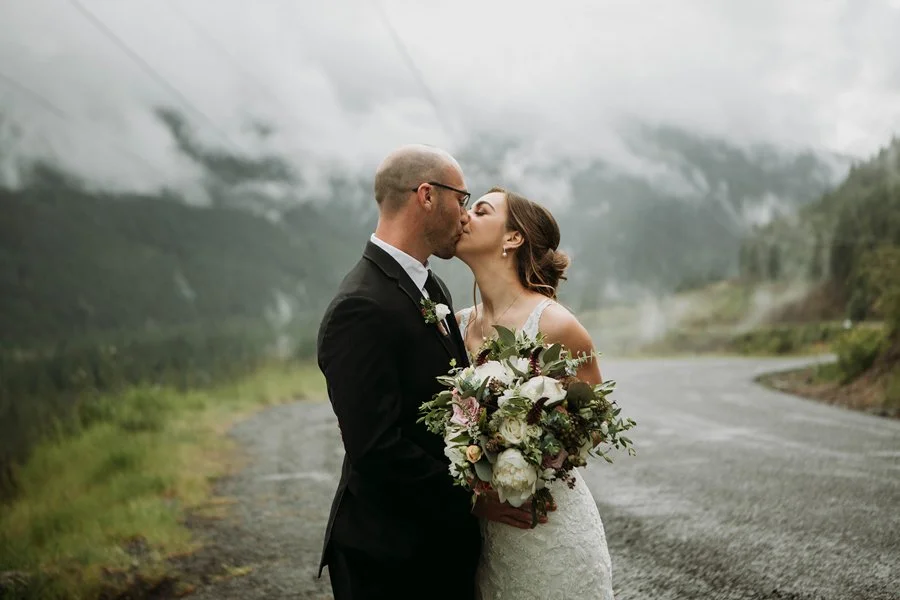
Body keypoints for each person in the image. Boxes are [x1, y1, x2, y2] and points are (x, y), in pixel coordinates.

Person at [317, 146, 535, 600]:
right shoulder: (360, 306)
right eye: (462, 198)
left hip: (435, 542)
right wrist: (476, 499)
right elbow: (375, 449)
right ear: (426, 196)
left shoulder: (430, 285)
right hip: (389, 556)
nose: (464, 215)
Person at [454, 186, 615, 599]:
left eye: (481, 211)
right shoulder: (456, 326)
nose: (464, 216)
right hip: (487, 538)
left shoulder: (555, 325)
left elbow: (596, 422)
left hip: (549, 529)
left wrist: (528, 452)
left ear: (513, 237)